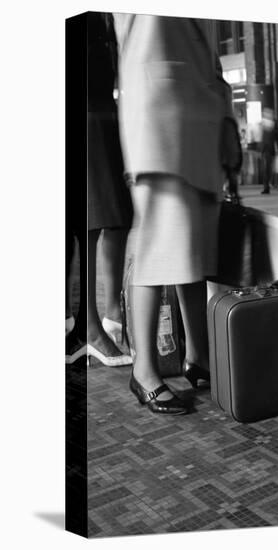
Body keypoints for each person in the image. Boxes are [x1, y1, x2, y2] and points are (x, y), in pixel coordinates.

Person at [114, 14, 235, 415]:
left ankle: (197, 355)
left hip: (197, 125)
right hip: (160, 121)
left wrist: (226, 121)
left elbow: (206, 55)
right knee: (157, 246)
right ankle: (144, 370)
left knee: (192, 249)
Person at [66, 12, 133, 368]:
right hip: (86, 109)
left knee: (119, 214)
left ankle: (112, 316)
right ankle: (90, 328)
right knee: (93, 217)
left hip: (108, 107)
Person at [260, 108, 277, 194]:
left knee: (267, 169)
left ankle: (267, 186)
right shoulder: (268, 125)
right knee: (267, 169)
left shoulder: (269, 125)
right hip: (267, 150)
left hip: (267, 150)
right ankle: (267, 186)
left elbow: (273, 138)